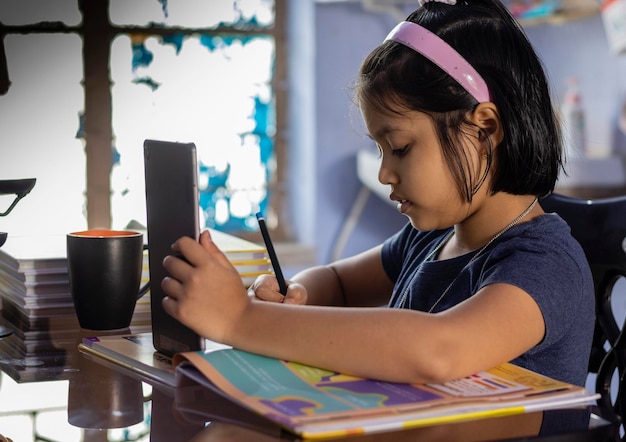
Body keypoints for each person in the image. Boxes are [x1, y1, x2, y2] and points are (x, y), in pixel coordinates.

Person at [161, 0, 594, 387]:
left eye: (401, 147)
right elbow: (338, 284)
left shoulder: (544, 264)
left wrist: (241, 318)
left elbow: (439, 350)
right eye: (380, 149)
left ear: (484, 129)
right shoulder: (430, 238)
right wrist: (296, 294)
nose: (386, 172)